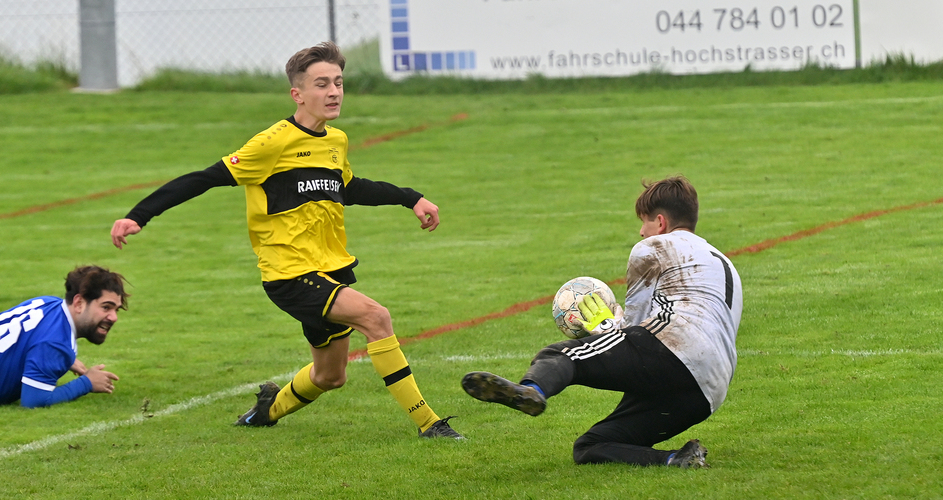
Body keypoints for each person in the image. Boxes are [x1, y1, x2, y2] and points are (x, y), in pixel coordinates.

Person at [109, 41, 461, 439]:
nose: (333, 92)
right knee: (376, 318)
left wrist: (410, 197)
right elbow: (204, 178)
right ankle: (429, 424)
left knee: (331, 375)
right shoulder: (272, 143)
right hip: (289, 273)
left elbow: (349, 187)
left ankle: (265, 411)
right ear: (298, 94)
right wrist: (139, 215)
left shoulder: (335, 141)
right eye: (322, 84)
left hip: (330, 269)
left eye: (339, 83)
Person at [461, 176, 742, 467]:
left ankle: (533, 390)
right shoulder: (724, 261)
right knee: (591, 446)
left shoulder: (654, 247)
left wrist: (607, 326)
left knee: (561, 355)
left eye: (644, 222)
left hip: (674, 350)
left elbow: (636, 326)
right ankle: (676, 460)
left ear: (659, 223)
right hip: (710, 388)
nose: (641, 232)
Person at [0, 265, 125, 407]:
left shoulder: (50, 302)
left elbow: (31, 337)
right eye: (106, 307)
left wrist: (62, 358)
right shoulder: (55, 344)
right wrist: (86, 383)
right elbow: (34, 400)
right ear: (78, 302)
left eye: (116, 309)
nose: (114, 317)